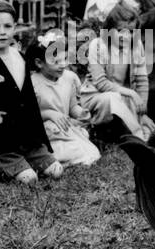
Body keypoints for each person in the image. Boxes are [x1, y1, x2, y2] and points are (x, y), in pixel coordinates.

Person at [0, 0, 61, 185]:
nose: (2, 32)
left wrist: (40, 138)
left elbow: (29, 100)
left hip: (25, 137)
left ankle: (27, 159)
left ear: (14, 28)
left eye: (7, 26)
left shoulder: (20, 57)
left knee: (55, 170)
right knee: (29, 178)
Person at [27, 28, 100, 167]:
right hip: (45, 133)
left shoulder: (69, 78)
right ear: (39, 63)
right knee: (76, 150)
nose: (63, 65)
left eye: (65, 59)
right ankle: (49, 157)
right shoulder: (33, 83)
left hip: (64, 128)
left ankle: (65, 156)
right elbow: (29, 116)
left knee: (92, 151)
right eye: (56, 61)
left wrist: (80, 113)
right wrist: (49, 114)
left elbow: (72, 106)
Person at [85, 0, 155, 140]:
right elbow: (101, 83)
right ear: (109, 29)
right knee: (113, 98)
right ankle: (138, 136)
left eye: (130, 32)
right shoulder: (98, 45)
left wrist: (143, 113)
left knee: (148, 126)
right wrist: (131, 93)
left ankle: (142, 133)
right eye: (119, 31)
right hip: (98, 98)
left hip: (124, 98)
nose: (125, 36)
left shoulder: (136, 46)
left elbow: (142, 81)